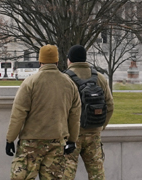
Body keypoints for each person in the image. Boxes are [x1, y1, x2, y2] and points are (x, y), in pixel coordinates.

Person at [6, 45, 81, 180]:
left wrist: (10, 139)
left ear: (40, 62)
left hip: (31, 143)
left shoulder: (30, 82)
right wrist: (72, 140)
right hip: (57, 143)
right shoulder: (69, 84)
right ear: (57, 62)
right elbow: (75, 116)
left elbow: (18, 114)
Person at [62, 45, 114, 180]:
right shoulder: (99, 78)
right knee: (97, 174)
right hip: (94, 134)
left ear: (70, 60)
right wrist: (100, 127)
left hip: (71, 135)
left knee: (67, 173)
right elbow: (110, 105)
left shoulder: (65, 79)